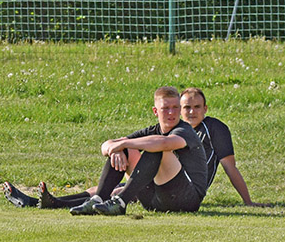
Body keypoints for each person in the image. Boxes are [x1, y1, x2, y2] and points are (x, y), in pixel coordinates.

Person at [3, 87, 269, 209]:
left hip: (186, 191)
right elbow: (109, 145)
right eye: (181, 107)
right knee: (110, 187)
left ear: (205, 109)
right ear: (157, 111)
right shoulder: (163, 127)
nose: (186, 112)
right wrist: (116, 148)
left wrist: (248, 202)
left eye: (191, 107)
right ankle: (48, 203)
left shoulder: (206, 129)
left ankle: (115, 203)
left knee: (151, 152)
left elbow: (228, 166)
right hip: (162, 183)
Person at [69, 85, 208, 215]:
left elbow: (165, 143)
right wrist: (118, 149)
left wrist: (122, 143)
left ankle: (121, 202)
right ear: (155, 111)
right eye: (166, 108)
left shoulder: (185, 130)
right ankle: (98, 199)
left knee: (156, 148)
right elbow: (106, 146)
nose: (171, 113)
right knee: (127, 149)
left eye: (175, 107)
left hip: (186, 200)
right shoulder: (152, 130)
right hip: (153, 201)